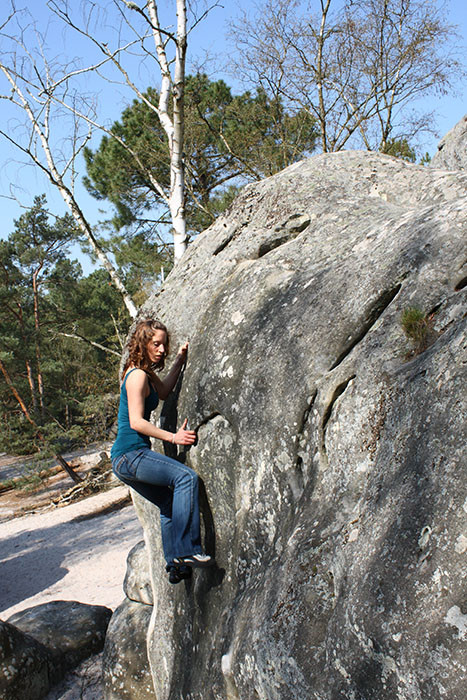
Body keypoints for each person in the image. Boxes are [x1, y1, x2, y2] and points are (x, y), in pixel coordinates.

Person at [110, 318, 214, 584]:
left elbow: (165, 391)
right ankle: (188, 550)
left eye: (164, 344)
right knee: (185, 478)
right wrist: (174, 437)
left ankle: (176, 564)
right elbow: (136, 421)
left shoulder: (146, 373)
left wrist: (180, 359)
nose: (161, 349)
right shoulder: (136, 375)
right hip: (130, 454)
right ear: (143, 344)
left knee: (168, 503)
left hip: (127, 460)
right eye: (156, 343)